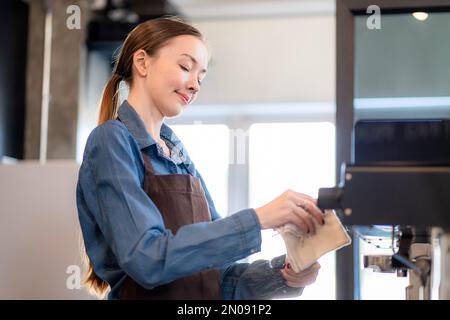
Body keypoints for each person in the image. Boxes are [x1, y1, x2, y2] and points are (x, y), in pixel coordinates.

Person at [76, 16, 324, 300]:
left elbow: (219, 277)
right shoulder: (111, 141)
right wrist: (259, 219)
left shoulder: (179, 157)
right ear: (142, 62)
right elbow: (147, 260)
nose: (195, 85)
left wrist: (285, 274)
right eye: (185, 67)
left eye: (201, 77)